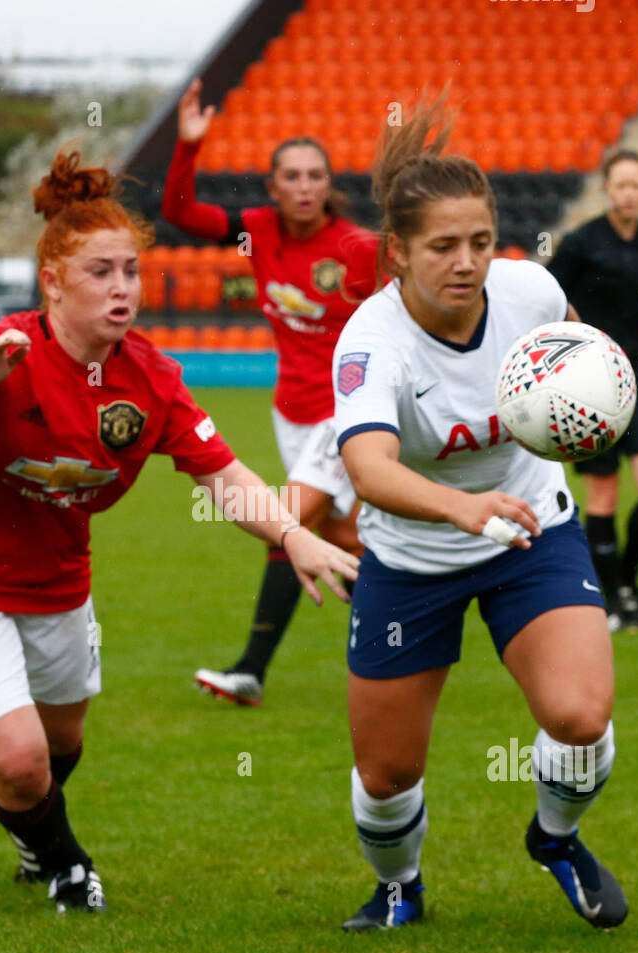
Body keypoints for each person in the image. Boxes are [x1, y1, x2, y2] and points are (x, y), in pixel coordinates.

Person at [0, 147, 358, 913]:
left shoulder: (153, 379)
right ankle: (67, 863)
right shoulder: (4, 347)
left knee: (61, 747)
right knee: (24, 758)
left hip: (58, 583)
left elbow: (225, 477)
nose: (122, 287)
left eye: (130, 270)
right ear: (53, 282)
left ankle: (31, 829)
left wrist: (293, 535)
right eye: (100, 272)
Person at [331, 97, 627, 932]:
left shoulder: (530, 291)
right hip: (412, 556)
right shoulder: (371, 343)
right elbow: (368, 467)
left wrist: (588, 402)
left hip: (530, 528)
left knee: (580, 714)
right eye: (442, 246)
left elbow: (578, 350)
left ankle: (556, 837)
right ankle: (401, 887)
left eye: (482, 242)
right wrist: (460, 508)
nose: (467, 263)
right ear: (397, 253)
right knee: (386, 773)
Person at [161, 77, 380, 706]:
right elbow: (178, 213)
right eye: (292, 176)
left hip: (345, 414)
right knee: (345, 541)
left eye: (316, 175)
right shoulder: (257, 229)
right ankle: (414, 631)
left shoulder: (358, 249)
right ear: (273, 185)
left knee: (283, 522)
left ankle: (251, 670)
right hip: (292, 415)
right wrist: (188, 148)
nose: (305, 186)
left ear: (329, 183)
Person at [546, 149, 638, 631]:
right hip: (589, 382)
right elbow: (547, 300)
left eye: (637, 185)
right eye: (621, 184)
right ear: (607, 189)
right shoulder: (581, 244)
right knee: (603, 497)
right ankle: (611, 601)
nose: (629, 193)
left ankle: (626, 579)